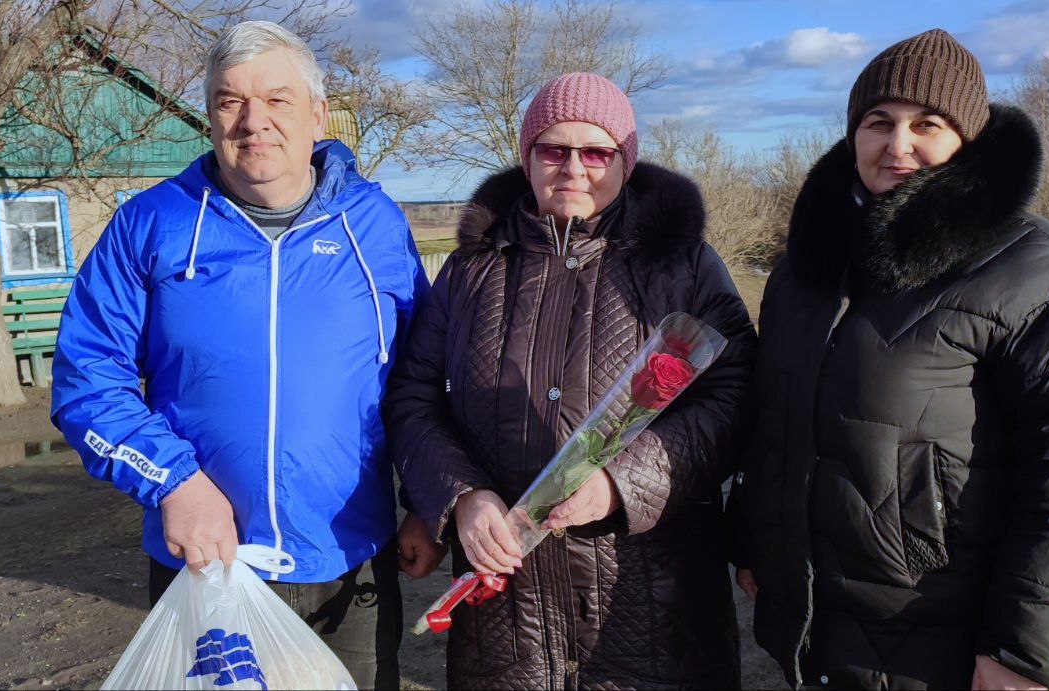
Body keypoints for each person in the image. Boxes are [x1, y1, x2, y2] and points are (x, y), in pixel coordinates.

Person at [727, 28, 1049, 690]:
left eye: (927, 123)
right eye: (877, 122)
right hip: (815, 630)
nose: (897, 144)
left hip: (948, 639)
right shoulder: (804, 268)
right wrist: (752, 542)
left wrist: (1022, 649)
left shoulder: (1034, 269)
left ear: (965, 138)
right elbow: (769, 422)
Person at [50, 20, 445, 690]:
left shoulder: (373, 224)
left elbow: (422, 379)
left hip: (350, 556)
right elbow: (87, 380)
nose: (252, 121)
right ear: (209, 117)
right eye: (230, 101)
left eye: (277, 99)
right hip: (207, 565)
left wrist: (427, 502)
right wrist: (173, 480)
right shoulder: (150, 225)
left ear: (319, 114)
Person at [383, 72, 757, 689]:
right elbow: (414, 396)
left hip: (650, 606)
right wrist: (459, 496)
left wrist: (624, 483)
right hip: (508, 613)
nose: (574, 168)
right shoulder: (472, 269)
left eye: (596, 152)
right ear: (528, 157)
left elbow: (736, 391)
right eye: (554, 150)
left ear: (624, 161)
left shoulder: (682, 263)